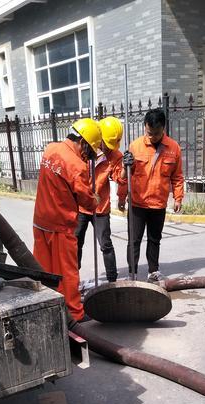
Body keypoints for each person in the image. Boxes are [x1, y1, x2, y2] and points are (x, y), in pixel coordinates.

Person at [33, 118, 101, 323]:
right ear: (84, 143)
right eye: (90, 151)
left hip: (40, 221)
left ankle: (46, 305)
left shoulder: (50, 149)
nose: (89, 157)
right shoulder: (76, 166)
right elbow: (86, 201)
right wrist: (94, 199)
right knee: (68, 272)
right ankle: (75, 314)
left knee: (44, 269)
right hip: (62, 225)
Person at [122, 108, 184, 282]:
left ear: (163, 128)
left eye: (156, 134)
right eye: (149, 133)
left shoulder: (173, 148)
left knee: (154, 239)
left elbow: (177, 176)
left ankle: (153, 271)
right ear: (145, 127)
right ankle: (132, 273)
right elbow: (125, 175)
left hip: (158, 203)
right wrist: (125, 166)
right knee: (134, 240)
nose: (152, 137)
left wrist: (178, 197)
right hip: (138, 203)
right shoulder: (135, 146)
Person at [75, 116, 127, 283]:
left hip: (100, 207)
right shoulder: (84, 149)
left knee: (105, 244)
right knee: (76, 243)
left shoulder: (114, 155)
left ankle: (112, 281)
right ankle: (73, 278)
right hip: (82, 206)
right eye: (105, 143)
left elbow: (120, 179)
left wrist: (126, 167)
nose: (106, 148)